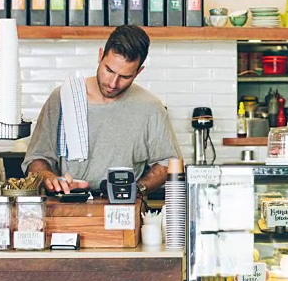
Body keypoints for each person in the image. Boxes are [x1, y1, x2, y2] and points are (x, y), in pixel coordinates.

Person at [21, 25, 181, 194]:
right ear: (100, 56)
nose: (113, 83)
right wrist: (49, 178)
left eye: (125, 77)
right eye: (109, 70)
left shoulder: (150, 107)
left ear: (138, 72)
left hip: (124, 209)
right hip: (68, 203)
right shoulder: (63, 98)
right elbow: (37, 159)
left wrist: (135, 189)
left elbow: (168, 163)